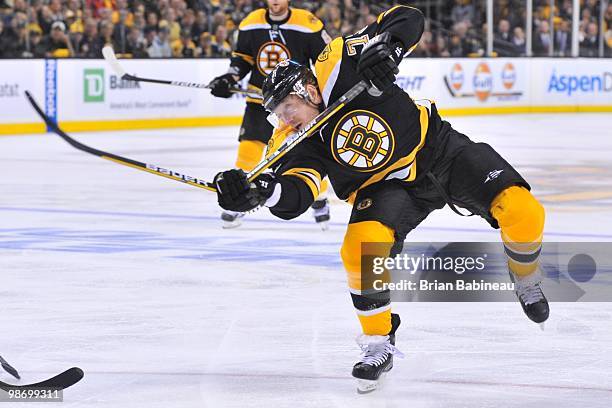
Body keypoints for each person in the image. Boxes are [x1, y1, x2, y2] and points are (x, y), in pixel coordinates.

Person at [213, 5, 549, 393]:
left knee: (522, 210)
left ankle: (525, 276)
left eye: (286, 109)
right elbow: (297, 194)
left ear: (305, 90)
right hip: (384, 188)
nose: (284, 121)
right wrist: (261, 193)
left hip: (438, 150)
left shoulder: (337, 62)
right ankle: (378, 341)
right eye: (276, 116)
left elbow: (407, 16)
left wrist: (390, 46)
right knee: (358, 250)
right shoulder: (294, 139)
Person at [208, 0, 332, 229]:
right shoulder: (250, 22)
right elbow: (242, 60)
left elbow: (327, 60)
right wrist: (229, 79)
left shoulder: (307, 23)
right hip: (260, 102)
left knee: (304, 158)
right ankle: (240, 199)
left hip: (297, 106)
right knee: (248, 152)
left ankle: (319, 196)